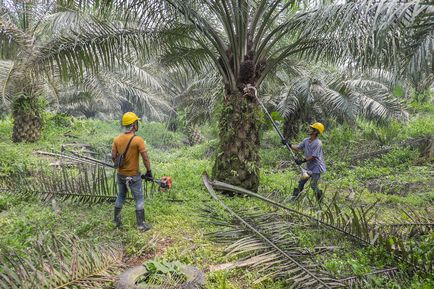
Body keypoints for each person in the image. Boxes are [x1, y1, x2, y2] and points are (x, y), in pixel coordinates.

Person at [112, 112, 153, 231]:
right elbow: (145, 158)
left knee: (120, 196)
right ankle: (141, 225)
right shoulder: (138, 140)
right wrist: (149, 171)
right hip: (134, 176)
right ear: (134, 125)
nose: (137, 124)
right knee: (139, 199)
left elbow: (113, 157)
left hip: (121, 175)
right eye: (137, 122)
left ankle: (117, 222)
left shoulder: (117, 139)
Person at [283, 122, 326, 202]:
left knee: (313, 185)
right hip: (308, 167)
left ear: (316, 132)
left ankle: (320, 201)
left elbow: (314, 156)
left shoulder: (318, 143)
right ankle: (294, 199)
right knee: (301, 182)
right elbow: (298, 148)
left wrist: (302, 161)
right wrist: (288, 144)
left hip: (316, 167)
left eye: (312, 129)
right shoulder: (306, 140)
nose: (309, 130)